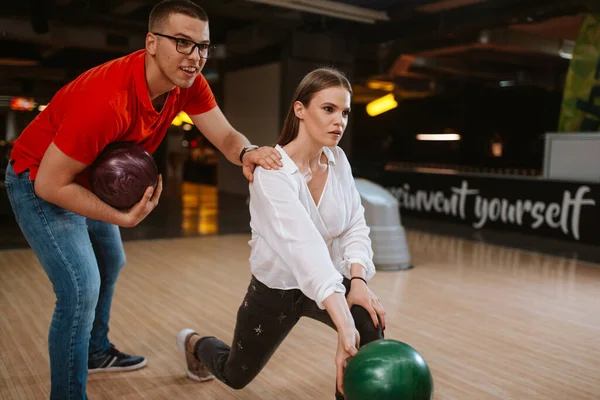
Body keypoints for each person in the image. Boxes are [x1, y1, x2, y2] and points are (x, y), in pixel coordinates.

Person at [3, 1, 282, 399]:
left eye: (203, 46)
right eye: (182, 43)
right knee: (81, 288)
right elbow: (51, 184)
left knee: (111, 260)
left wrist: (247, 151)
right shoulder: (106, 99)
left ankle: (95, 352)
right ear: (151, 42)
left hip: (86, 175)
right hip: (37, 178)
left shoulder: (187, 84)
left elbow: (224, 136)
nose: (195, 57)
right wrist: (124, 217)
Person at [176, 67, 387, 399]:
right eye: (328, 109)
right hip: (277, 290)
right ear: (300, 110)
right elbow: (305, 250)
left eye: (345, 112)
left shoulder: (338, 159)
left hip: (329, 280)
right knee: (236, 374)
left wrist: (358, 281)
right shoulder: (273, 174)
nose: (339, 121)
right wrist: (343, 323)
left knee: (368, 326)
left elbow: (354, 224)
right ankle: (195, 344)